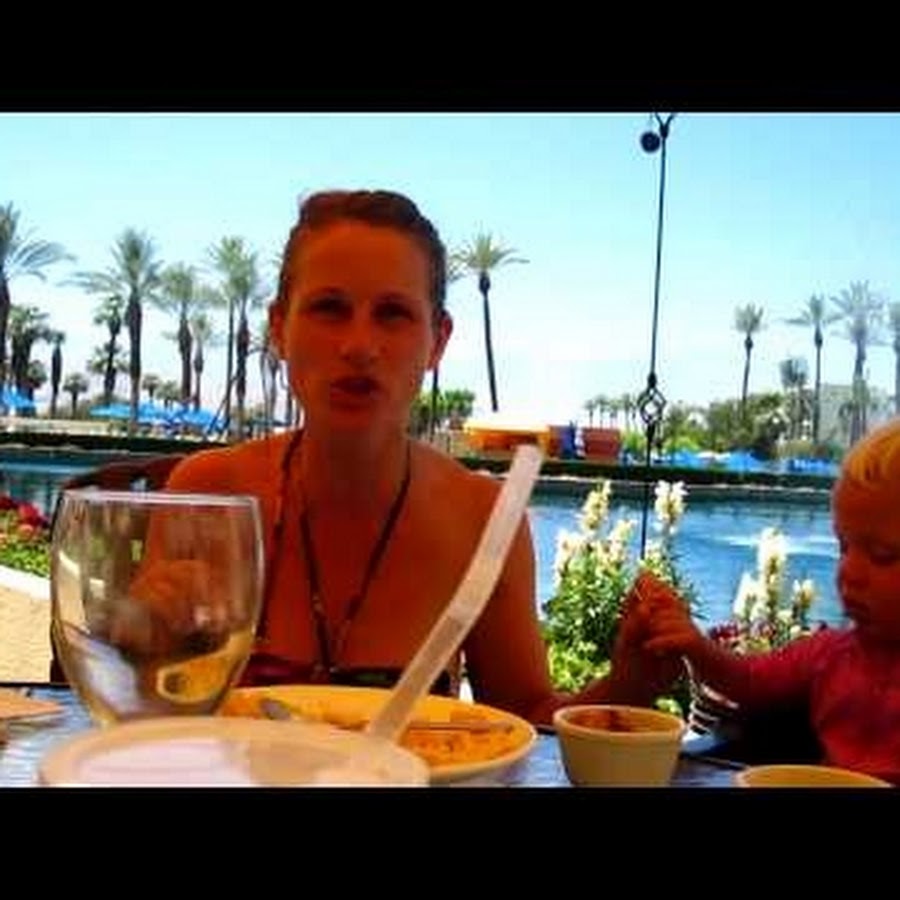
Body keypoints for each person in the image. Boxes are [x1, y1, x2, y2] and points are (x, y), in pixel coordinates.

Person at [149, 188, 673, 727]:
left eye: (393, 314)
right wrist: (146, 634)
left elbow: (523, 719)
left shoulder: (482, 519)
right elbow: (144, 708)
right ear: (279, 327)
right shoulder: (207, 496)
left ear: (437, 341)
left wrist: (627, 685)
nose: (359, 345)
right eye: (330, 308)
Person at [637, 416, 900, 784]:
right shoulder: (830, 657)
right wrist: (694, 645)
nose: (849, 572)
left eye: (883, 555)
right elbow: (749, 680)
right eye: (844, 547)